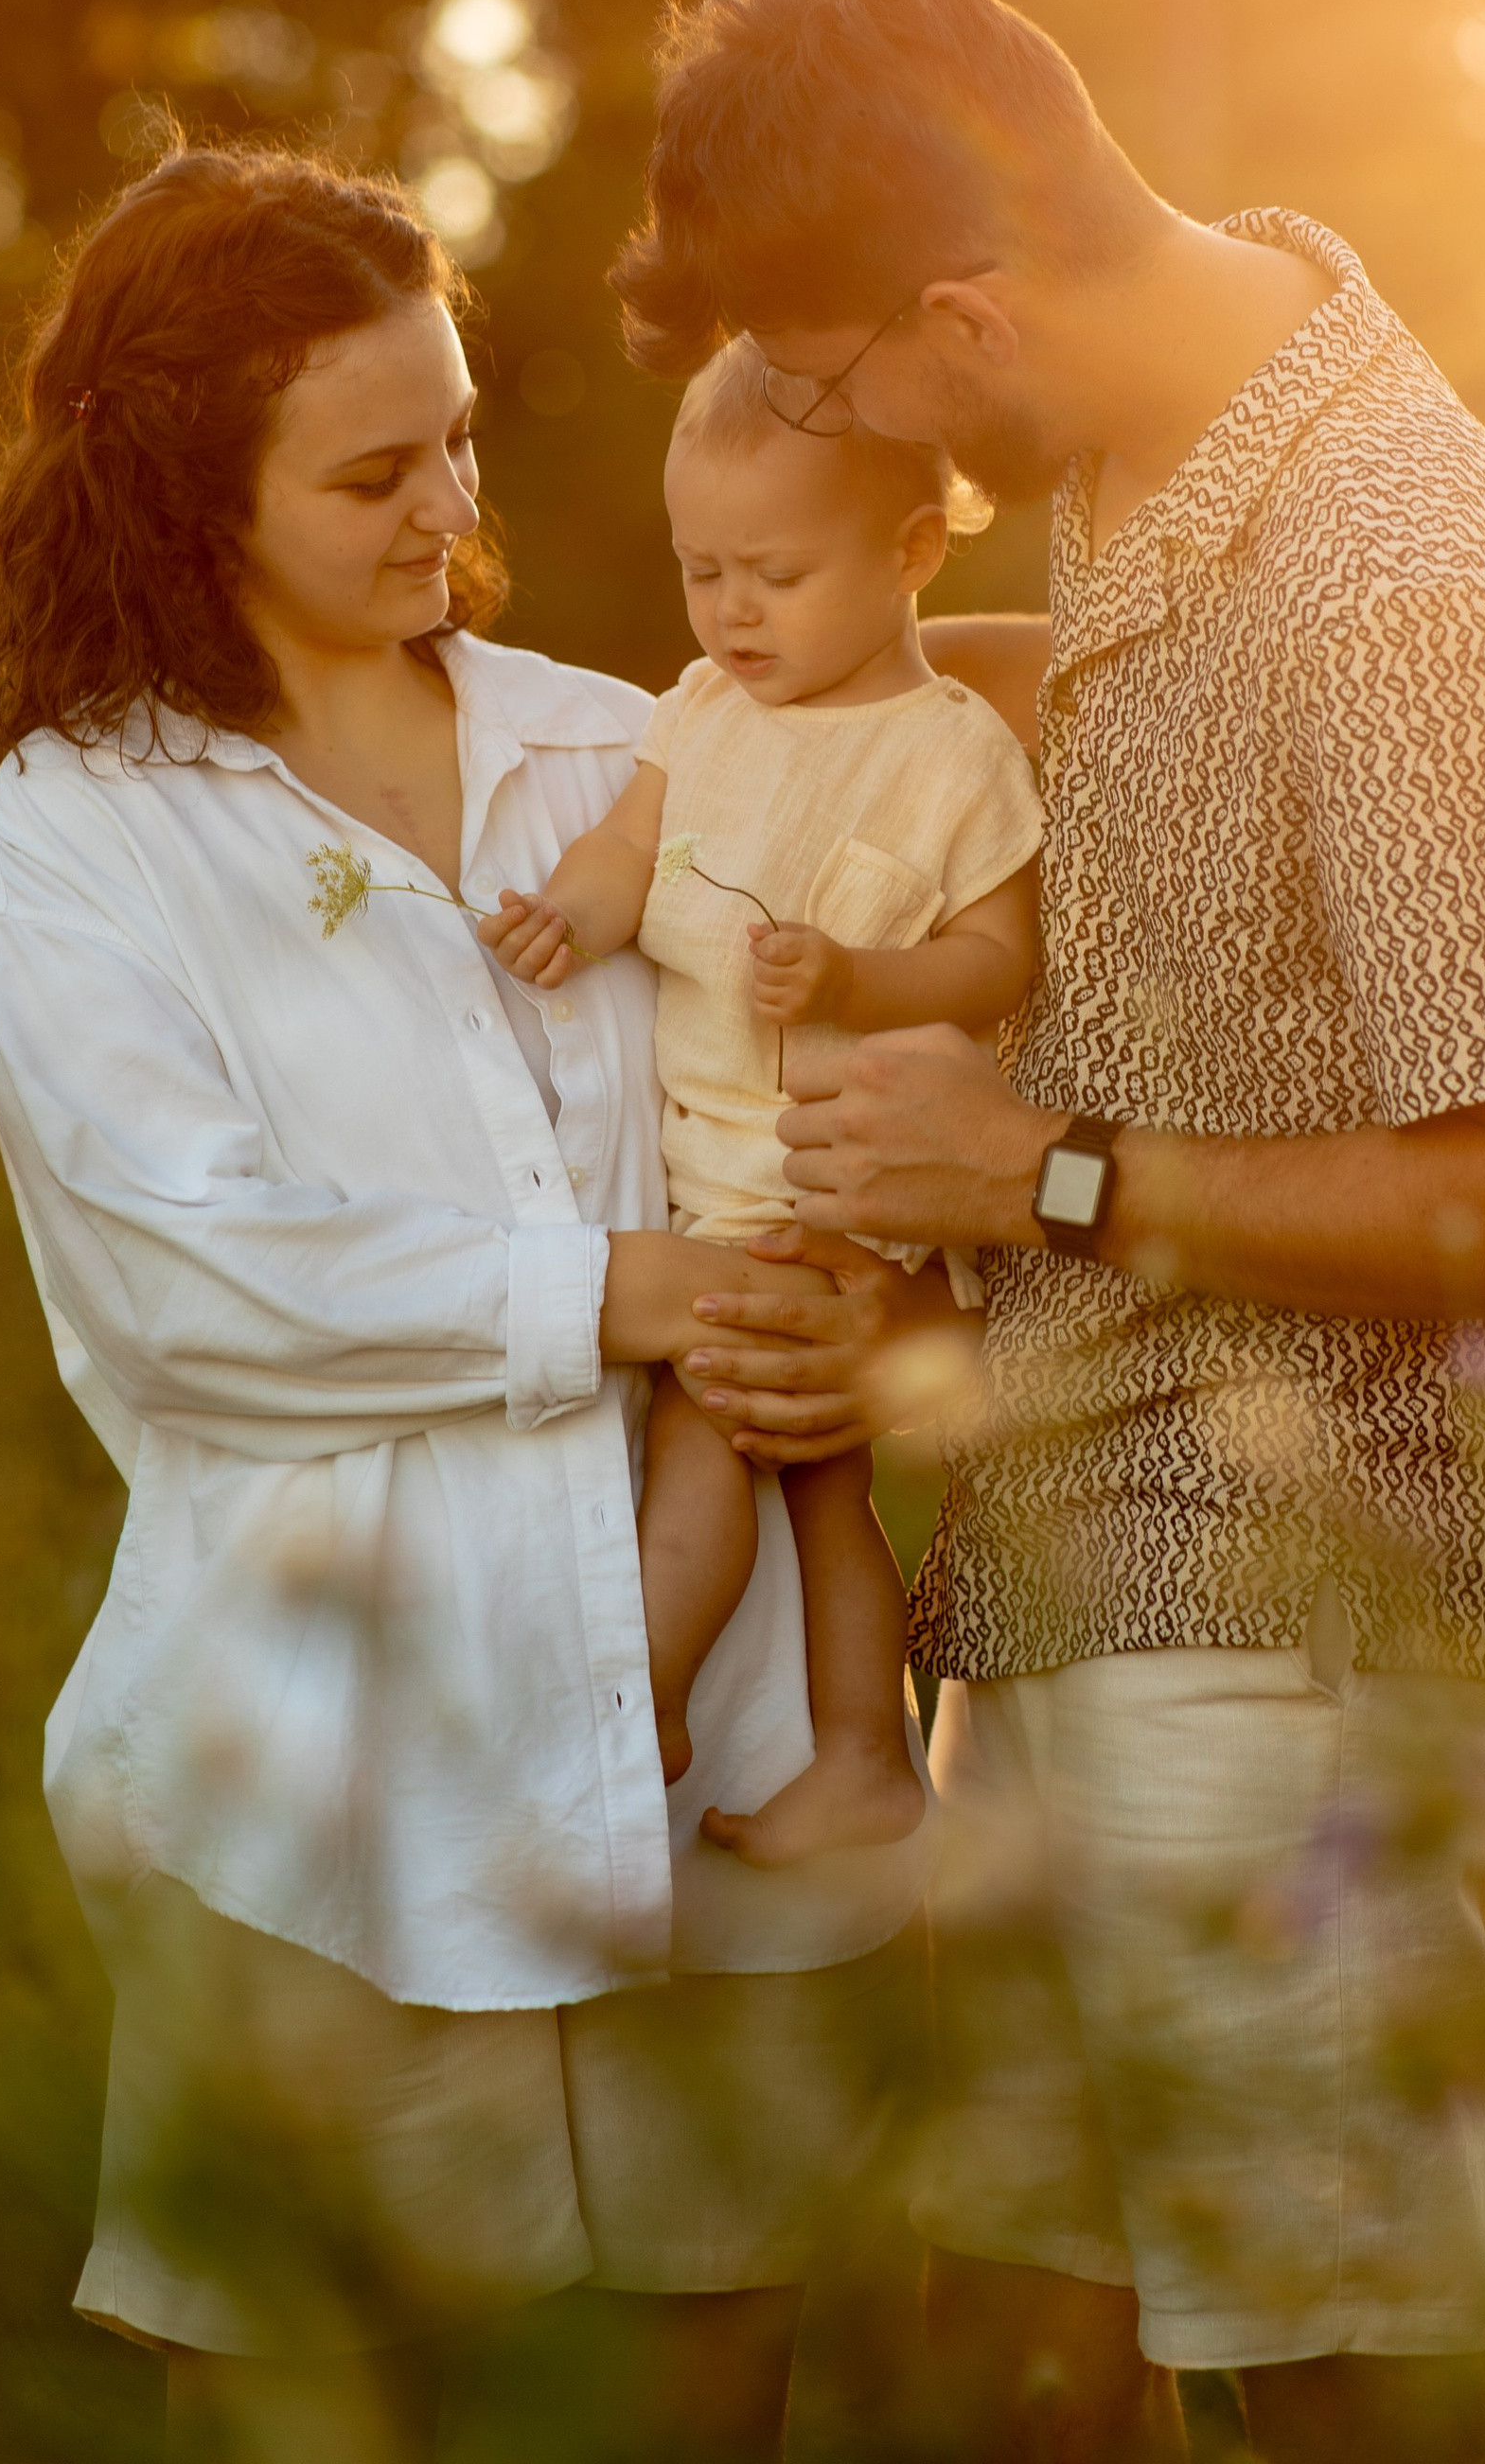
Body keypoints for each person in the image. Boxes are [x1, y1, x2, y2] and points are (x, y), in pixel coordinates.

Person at [608, 0, 1485, 2464]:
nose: (829, 438)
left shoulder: (1397, 583)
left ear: (964, 320)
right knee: (1013, 2350)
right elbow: (1046, 705)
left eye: (832, 389)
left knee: (1329, 2361)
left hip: (1294, 1633)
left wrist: (1038, 1172)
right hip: (1064, 1571)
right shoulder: (1142, 444)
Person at [0, 145, 934, 2464]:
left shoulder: (627, 749)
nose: (449, 507)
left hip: (708, 1751)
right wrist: (623, 1290)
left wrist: (843, 1308)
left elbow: (848, 969)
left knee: (703, 2396)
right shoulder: (86, 833)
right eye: (372, 471)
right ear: (183, 488)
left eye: (459, 438)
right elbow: (188, 1277)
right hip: (332, 1774)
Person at [482, 336, 1041, 1868]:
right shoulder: (703, 711)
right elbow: (628, 851)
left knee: (711, 1432)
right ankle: (861, 1755)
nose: (732, 612)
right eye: (701, 571)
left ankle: (639, 1710)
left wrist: (863, 978)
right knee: (821, 1483)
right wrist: (571, 916)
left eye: (776, 576)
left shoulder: (949, 756)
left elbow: (1001, 956)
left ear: (912, 551)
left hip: (836, 1179)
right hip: (713, 1174)